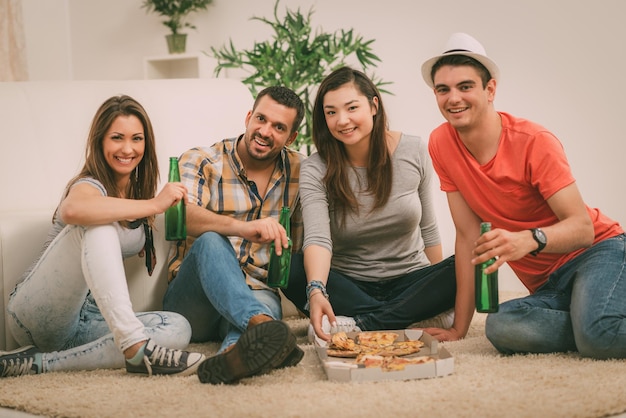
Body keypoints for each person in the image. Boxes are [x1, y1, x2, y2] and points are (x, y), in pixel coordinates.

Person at [422, 32, 626, 358]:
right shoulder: (440, 143)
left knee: (597, 336)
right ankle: (595, 322)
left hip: (599, 254)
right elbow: (467, 236)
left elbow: (583, 229)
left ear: (490, 90)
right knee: (501, 325)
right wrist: (459, 328)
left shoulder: (533, 141)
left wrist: (530, 240)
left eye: (465, 86)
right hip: (549, 283)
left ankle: (597, 325)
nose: (453, 98)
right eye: (443, 89)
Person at [0, 95, 205, 378]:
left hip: (88, 321)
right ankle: (134, 346)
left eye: (137, 139)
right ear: (100, 142)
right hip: (38, 313)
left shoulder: (133, 195)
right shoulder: (89, 185)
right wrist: (154, 205)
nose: (127, 148)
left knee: (177, 327)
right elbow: (73, 210)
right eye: (117, 138)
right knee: (100, 226)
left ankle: (40, 364)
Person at [282, 66, 457, 343]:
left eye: (352, 108)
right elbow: (317, 238)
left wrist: (438, 287)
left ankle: (363, 324)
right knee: (289, 268)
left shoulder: (413, 150)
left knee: (469, 263)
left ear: (373, 105)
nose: (342, 120)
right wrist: (316, 290)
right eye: (331, 112)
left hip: (408, 280)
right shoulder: (316, 168)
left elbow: (429, 228)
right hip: (350, 285)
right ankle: (406, 318)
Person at [162, 86, 306, 384]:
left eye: (279, 127)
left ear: (291, 138)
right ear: (248, 117)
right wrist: (242, 229)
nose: (265, 131)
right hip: (194, 301)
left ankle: (232, 359)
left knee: (260, 315)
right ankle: (262, 324)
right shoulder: (202, 160)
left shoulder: (300, 170)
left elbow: (307, 238)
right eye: (261, 119)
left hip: (257, 292)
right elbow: (181, 214)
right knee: (211, 241)